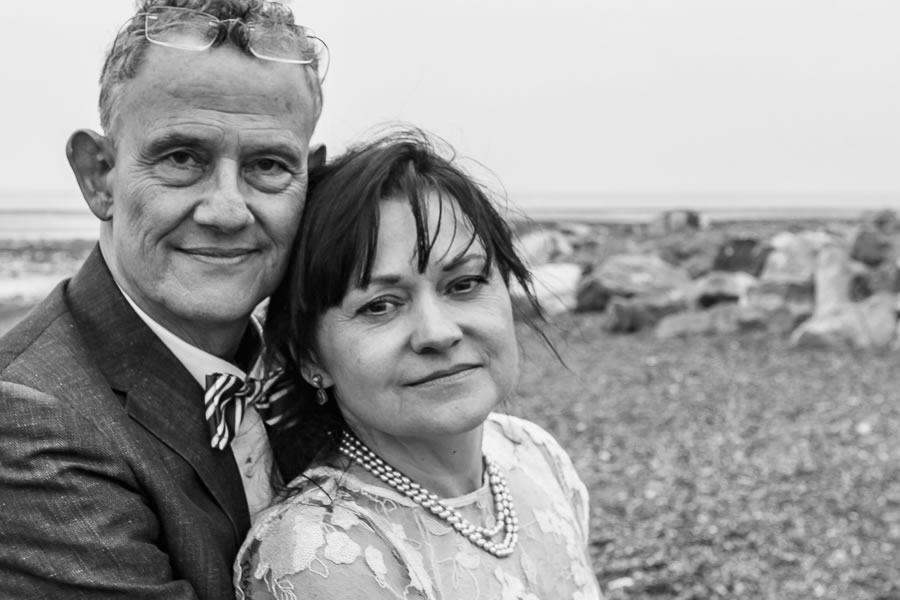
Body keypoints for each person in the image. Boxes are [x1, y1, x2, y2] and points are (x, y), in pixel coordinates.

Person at [0, 1, 326, 598]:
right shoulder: (27, 424)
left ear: (311, 183)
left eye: (268, 166)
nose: (227, 210)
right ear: (100, 175)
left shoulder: (311, 368)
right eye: (182, 158)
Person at [235, 129, 603, 599]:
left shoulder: (535, 456)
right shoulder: (322, 555)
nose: (438, 332)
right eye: (380, 305)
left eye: (465, 283)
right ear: (309, 357)